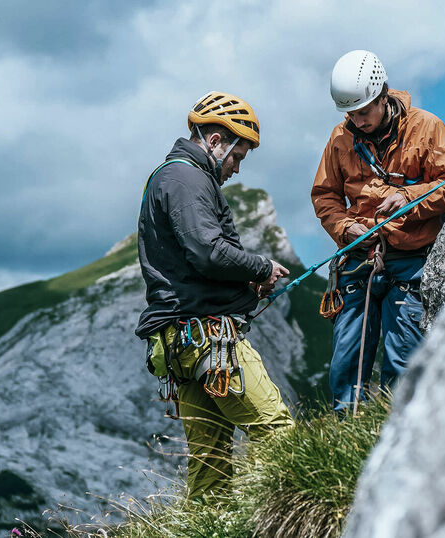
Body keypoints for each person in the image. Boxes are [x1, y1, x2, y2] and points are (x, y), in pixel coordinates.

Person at [135, 91, 293, 499]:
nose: (237, 169)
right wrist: (260, 267)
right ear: (216, 140)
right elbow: (206, 250)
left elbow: (192, 260)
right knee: (278, 434)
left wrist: (244, 284)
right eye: (237, 155)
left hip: (182, 344)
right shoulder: (187, 178)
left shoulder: (170, 177)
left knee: (211, 467)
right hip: (209, 339)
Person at [311, 50, 445, 412]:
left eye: (364, 112)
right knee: (347, 364)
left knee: (403, 361)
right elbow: (325, 195)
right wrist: (346, 228)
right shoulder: (339, 139)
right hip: (359, 259)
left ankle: (396, 435)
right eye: (351, 114)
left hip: (411, 261)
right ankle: (346, 440)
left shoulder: (426, 128)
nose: (358, 121)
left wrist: (406, 197)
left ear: (382, 96)